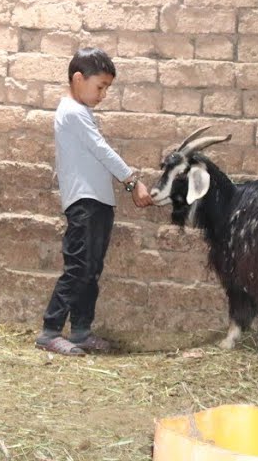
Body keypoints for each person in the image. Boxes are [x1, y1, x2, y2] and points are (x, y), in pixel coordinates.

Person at [34, 48, 153, 356]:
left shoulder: (81, 113)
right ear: (78, 78)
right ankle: (50, 331)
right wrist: (132, 181)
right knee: (78, 268)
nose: (103, 94)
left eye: (106, 89)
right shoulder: (71, 112)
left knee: (91, 269)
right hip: (84, 203)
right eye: (100, 86)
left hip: (97, 202)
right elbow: (102, 150)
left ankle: (80, 331)